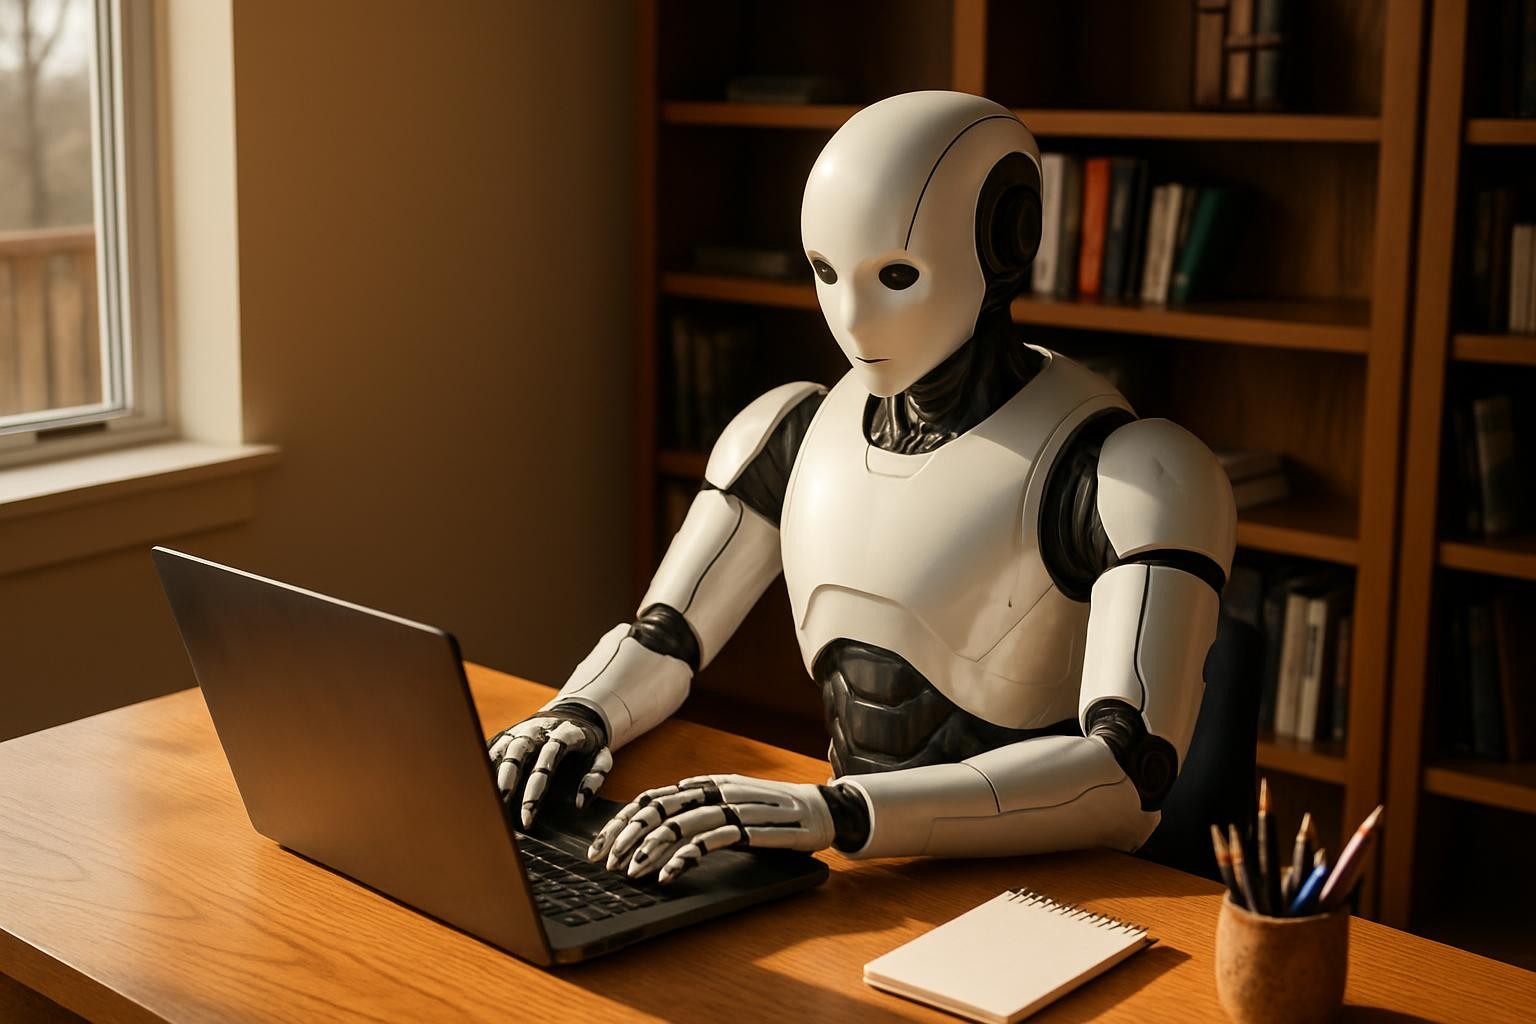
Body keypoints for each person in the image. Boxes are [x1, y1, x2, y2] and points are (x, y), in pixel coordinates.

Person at [488, 91, 1236, 885]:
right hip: (860, 873)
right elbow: (663, 635)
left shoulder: (1124, 472)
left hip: (1048, 895)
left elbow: (1126, 780)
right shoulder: (792, 430)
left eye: (898, 276)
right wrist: (579, 711)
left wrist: (837, 813)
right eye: (823, 272)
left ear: (1006, 242)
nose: (853, 320)